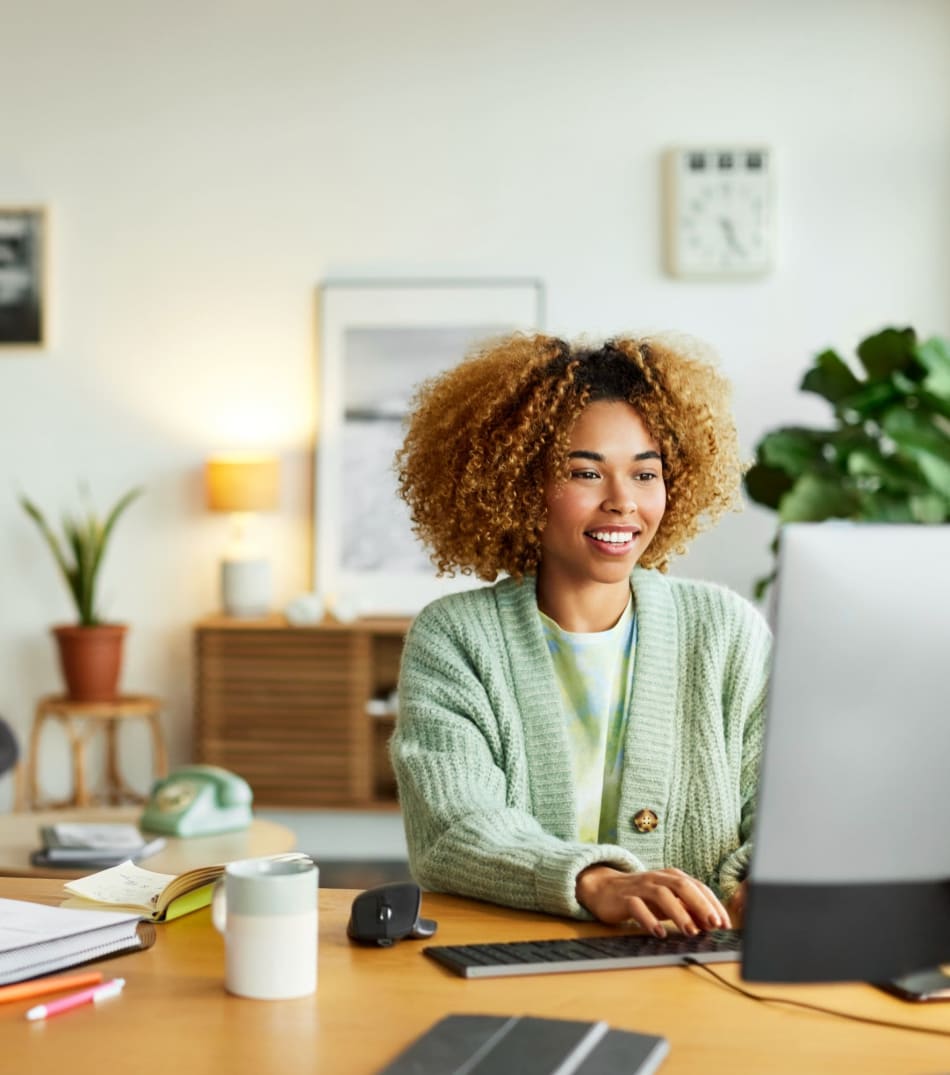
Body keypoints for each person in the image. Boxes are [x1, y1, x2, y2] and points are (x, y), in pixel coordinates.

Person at [390, 333, 771, 937]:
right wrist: (597, 882)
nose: (623, 502)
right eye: (585, 472)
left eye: (646, 474)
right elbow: (454, 826)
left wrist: (764, 885)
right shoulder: (456, 638)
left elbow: (779, 808)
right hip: (514, 958)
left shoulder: (725, 631)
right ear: (517, 485)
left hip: (704, 967)